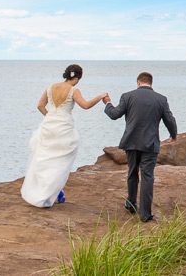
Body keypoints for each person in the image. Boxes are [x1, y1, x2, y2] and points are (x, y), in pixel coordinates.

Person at [21, 64, 108, 207]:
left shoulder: (50, 87)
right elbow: (85, 105)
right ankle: (55, 191)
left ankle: (53, 191)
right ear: (77, 78)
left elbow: (40, 106)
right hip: (64, 128)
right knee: (60, 161)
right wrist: (100, 96)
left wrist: (50, 117)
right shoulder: (74, 90)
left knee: (45, 158)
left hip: (49, 126)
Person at [103, 71, 177, 222]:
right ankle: (145, 214)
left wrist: (108, 103)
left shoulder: (127, 96)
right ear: (151, 83)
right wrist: (173, 134)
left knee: (132, 172)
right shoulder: (161, 99)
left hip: (131, 142)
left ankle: (131, 205)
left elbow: (114, 114)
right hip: (150, 143)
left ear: (138, 82)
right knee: (147, 176)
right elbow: (169, 119)